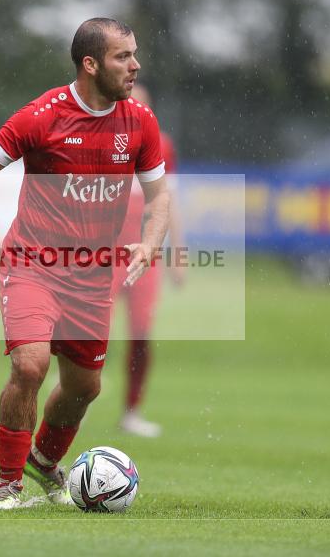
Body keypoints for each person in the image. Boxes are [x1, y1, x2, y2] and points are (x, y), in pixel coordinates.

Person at [0, 18, 171, 508]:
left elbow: (159, 200)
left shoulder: (140, 122)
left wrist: (149, 242)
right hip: (32, 263)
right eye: (124, 57)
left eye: (135, 54)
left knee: (85, 387)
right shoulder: (42, 116)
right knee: (30, 367)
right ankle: (7, 487)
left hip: (93, 277)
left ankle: (43, 463)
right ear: (90, 64)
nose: (135, 65)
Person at [111, 82, 185, 438]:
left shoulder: (161, 146)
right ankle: (75, 390)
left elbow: (168, 201)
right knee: (87, 331)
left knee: (141, 334)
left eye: (143, 106)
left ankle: (132, 410)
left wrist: (177, 253)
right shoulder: (102, 143)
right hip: (102, 255)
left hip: (146, 256)